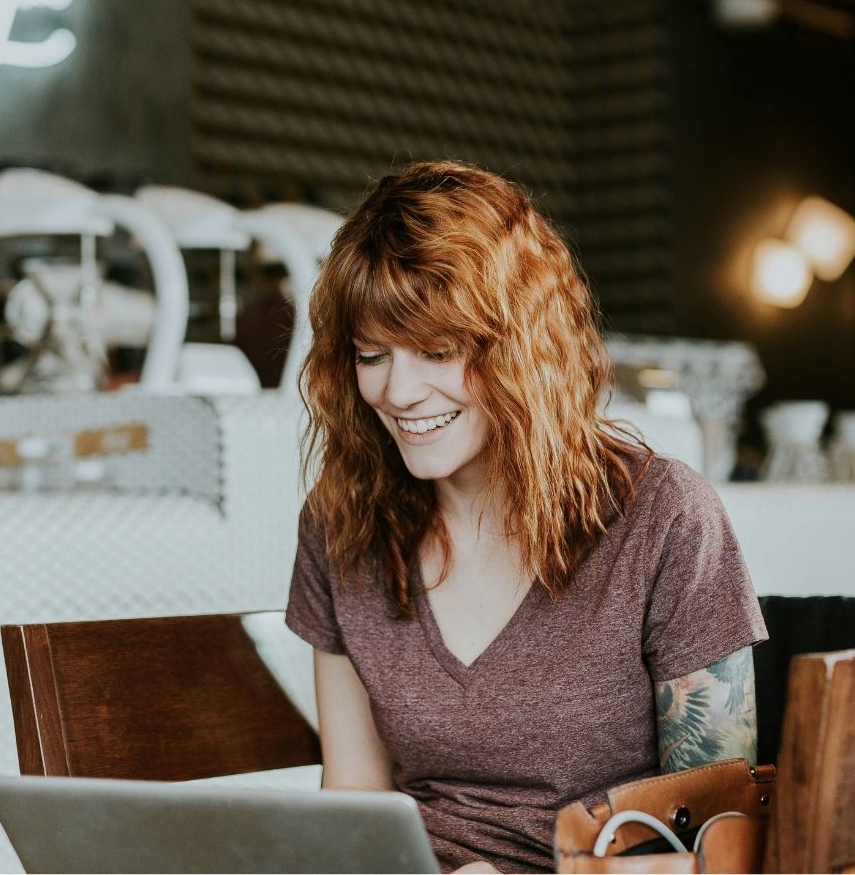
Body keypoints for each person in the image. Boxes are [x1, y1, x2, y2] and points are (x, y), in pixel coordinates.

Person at [285, 160, 767, 874]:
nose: (399, 391)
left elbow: (724, 843)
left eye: (438, 351)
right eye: (371, 355)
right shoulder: (342, 525)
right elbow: (354, 805)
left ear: (522, 349)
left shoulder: (663, 518)